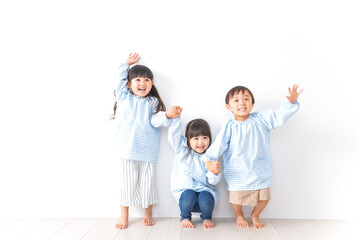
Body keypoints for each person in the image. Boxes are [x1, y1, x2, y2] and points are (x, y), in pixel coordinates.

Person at [202, 85, 303, 228]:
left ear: (252, 104)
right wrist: (209, 161)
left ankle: (255, 214)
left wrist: (290, 104)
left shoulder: (262, 119)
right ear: (228, 107)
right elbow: (217, 146)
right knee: (236, 200)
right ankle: (239, 214)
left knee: (264, 199)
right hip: (238, 172)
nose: (242, 103)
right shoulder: (229, 126)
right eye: (236, 100)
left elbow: (279, 116)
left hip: (260, 169)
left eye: (246, 99)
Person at [111, 53, 180, 229]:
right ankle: (124, 216)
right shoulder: (124, 96)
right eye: (138, 80)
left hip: (147, 151)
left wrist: (168, 115)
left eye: (147, 80)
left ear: (152, 84)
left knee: (147, 185)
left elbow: (155, 121)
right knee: (127, 185)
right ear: (129, 84)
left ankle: (148, 213)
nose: (143, 83)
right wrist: (125, 64)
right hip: (127, 150)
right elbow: (119, 77)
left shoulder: (152, 102)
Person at [168, 112, 221, 228]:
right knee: (189, 194)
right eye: (196, 138)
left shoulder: (210, 156)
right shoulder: (182, 151)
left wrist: (214, 172)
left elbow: (213, 182)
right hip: (185, 196)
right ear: (188, 140)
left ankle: (207, 218)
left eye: (205, 138)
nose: (201, 142)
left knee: (206, 197)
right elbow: (174, 136)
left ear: (210, 139)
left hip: (204, 193)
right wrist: (175, 120)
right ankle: (185, 217)